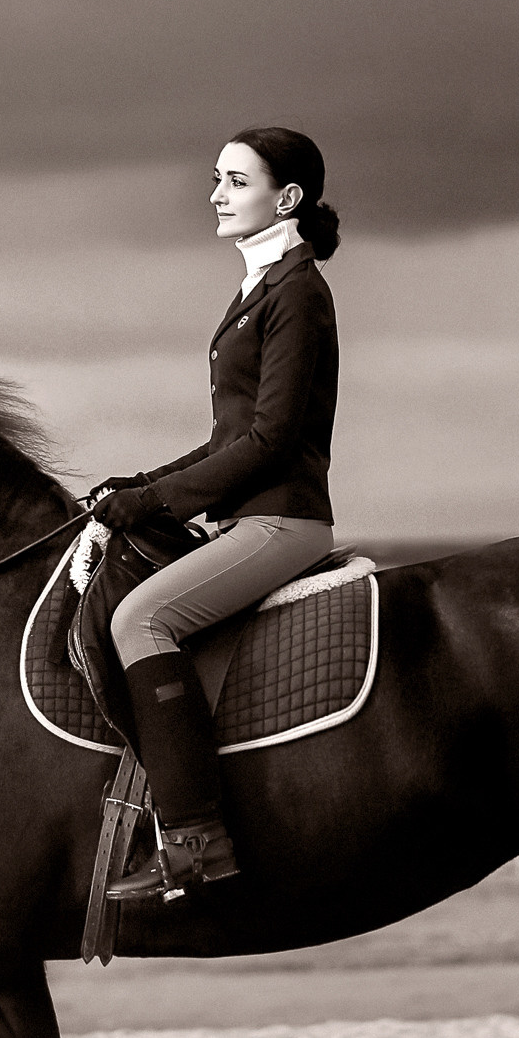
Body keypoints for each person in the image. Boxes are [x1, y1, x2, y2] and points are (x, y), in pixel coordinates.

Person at [87, 126, 342, 900]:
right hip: (242, 516)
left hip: (281, 520)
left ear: (286, 197)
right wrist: (138, 485)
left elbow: (268, 441)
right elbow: (224, 439)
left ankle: (195, 839)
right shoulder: (258, 290)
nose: (216, 196)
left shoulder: (297, 292)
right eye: (218, 180)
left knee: (141, 621)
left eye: (235, 182)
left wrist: (152, 501)